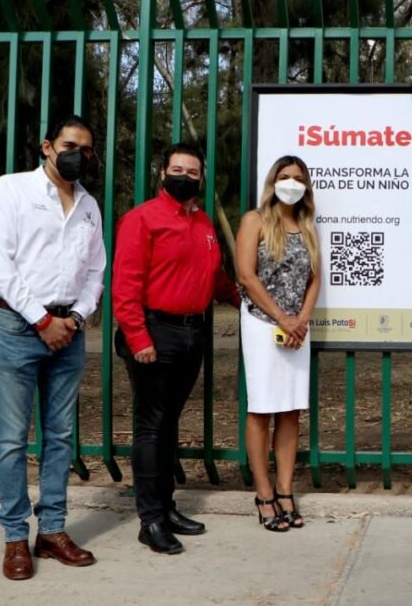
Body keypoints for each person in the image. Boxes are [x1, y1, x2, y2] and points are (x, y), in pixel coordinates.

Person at [0, 115, 105, 580]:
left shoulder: (89, 206)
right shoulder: (10, 191)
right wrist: (41, 320)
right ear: (47, 146)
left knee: (60, 438)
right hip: (17, 326)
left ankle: (51, 531)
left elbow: (95, 273)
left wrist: (73, 319)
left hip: (67, 332)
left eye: (87, 149)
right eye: (71, 145)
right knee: (12, 441)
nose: (79, 154)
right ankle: (15, 537)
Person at [112, 142, 240, 554]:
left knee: (168, 426)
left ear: (201, 178)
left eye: (192, 171)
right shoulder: (142, 219)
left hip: (192, 334)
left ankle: (166, 508)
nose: (184, 176)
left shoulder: (203, 222)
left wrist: (243, 298)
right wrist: (138, 338)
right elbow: (125, 285)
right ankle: (149, 520)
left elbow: (216, 276)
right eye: (177, 169)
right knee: (151, 427)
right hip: (154, 331)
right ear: (162, 173)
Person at [236, 155, 321, 532]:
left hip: (298, 329)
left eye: (298, 178)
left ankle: (286, 490)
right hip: (261, 324)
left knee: (290, 410)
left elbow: (315, 278)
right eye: (285, 176)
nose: (291, 182)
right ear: (273, 181)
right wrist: (282, 318)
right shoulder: (254, 221)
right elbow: (246, 276)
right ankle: (264, 493)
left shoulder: (306, 226)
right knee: (262, 408)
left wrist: (301, 320)